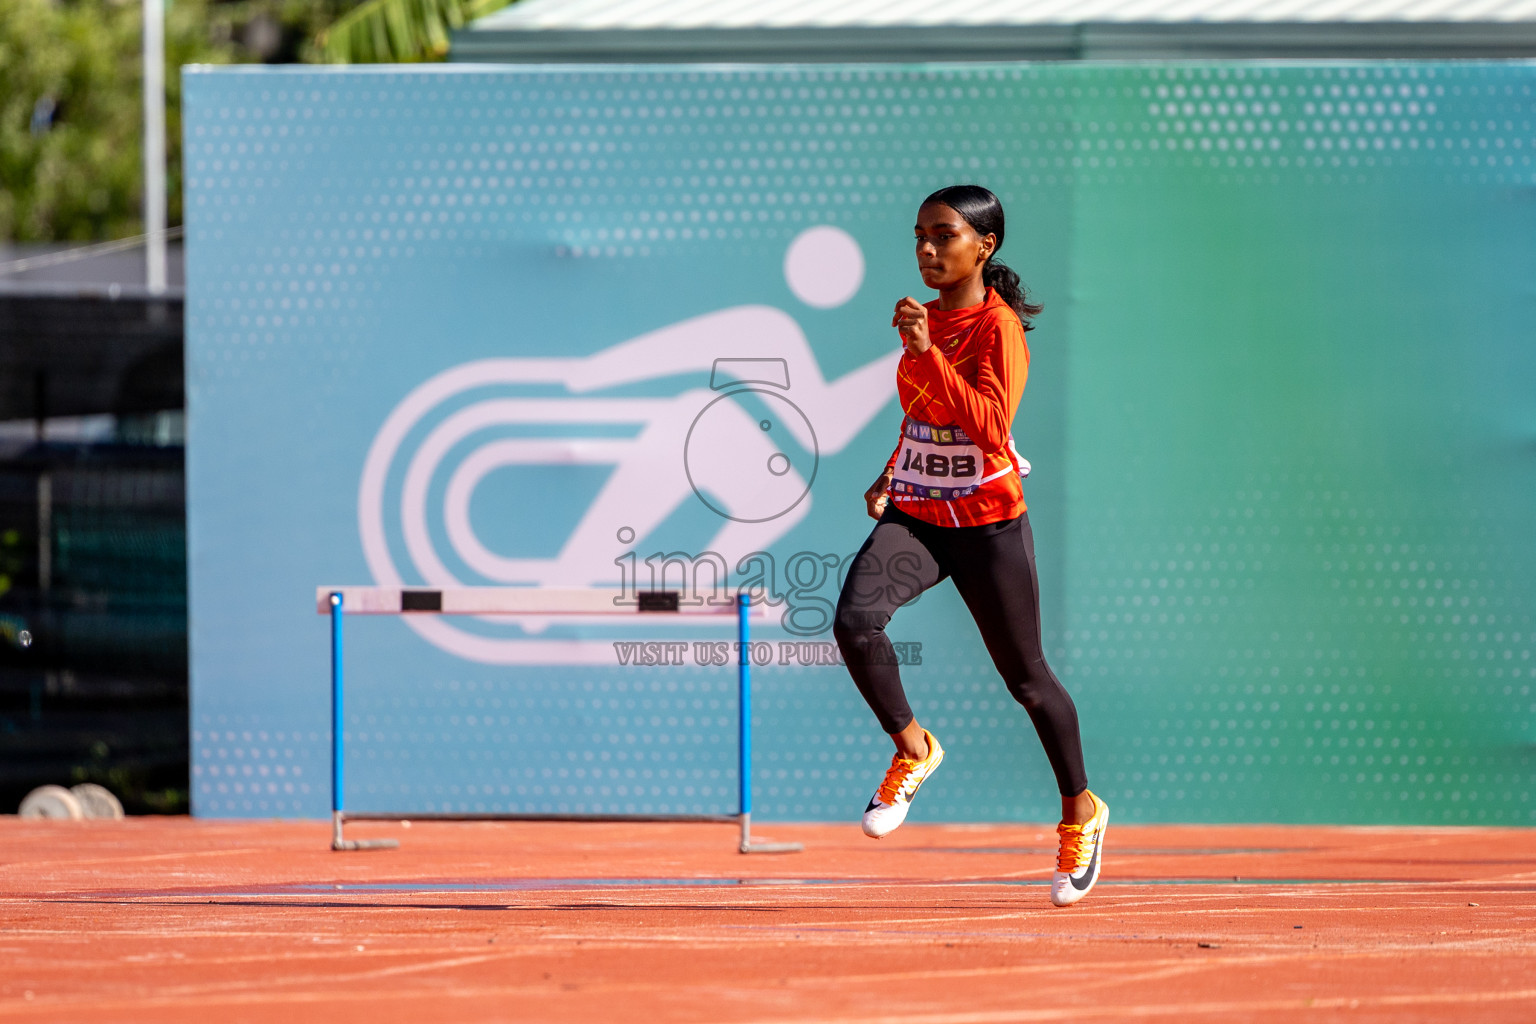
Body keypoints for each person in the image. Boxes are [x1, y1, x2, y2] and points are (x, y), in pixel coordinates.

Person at [832, 184, 1108, 907]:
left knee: (1028, 681)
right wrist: (893, 471)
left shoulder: (998, 328)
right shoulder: (922, 319)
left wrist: (928, 353)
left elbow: (988, 426)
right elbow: (926, 416)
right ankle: (914, 748)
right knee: (854, 622)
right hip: (921, 516)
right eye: (919, 235)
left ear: (983, 246)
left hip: (987, 524)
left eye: (944, 235)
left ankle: (1082, 812)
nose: (926, 248)